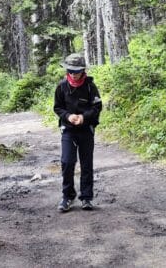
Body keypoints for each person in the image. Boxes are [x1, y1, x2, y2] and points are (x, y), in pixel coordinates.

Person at [54, 52, 102, 212]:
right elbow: (57, 108)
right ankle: (67, 196)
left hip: (86, 130)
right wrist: (68, 116)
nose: (74, 75)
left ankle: (86, 198)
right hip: (68, 130)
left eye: (77, 71)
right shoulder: (61, 87)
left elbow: (97, 107)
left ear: (83, 70)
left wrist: (83, 117)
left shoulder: (90, 86)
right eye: (71, 71)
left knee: (86, 163)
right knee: (67, 162)